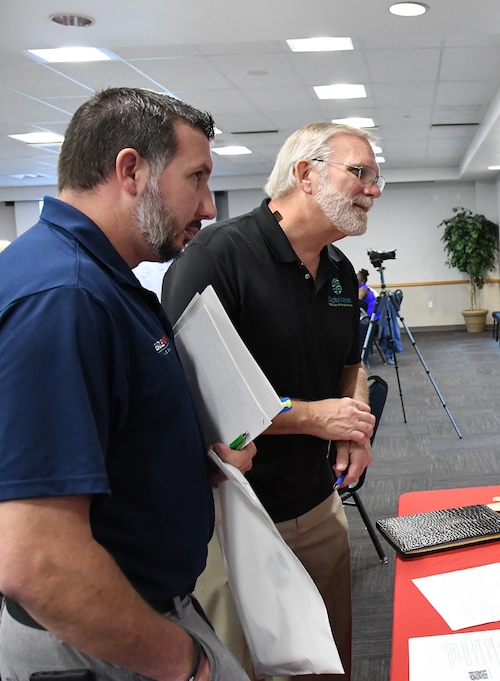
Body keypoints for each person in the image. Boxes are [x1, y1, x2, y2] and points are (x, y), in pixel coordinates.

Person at [0, 87, 255, 680]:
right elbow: (36, 559)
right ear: (131, 170)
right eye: (196, 178)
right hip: (100, 635)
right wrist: (184, 664)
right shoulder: (65, 298)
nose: (210, 206)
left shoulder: (97, 279)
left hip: (135, 612)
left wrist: (193, 468)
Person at [162, 122, 380, 681]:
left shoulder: (337, 272)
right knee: (249, 665)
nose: (373, 190)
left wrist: (354, 425)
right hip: (235, 518)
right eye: (360, 173)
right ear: (306, 174)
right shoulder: (217, 258)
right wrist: (314, 417)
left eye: (378, 179)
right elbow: (202, 396)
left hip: (317, 505)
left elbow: (350, 366)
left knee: (329, 660)